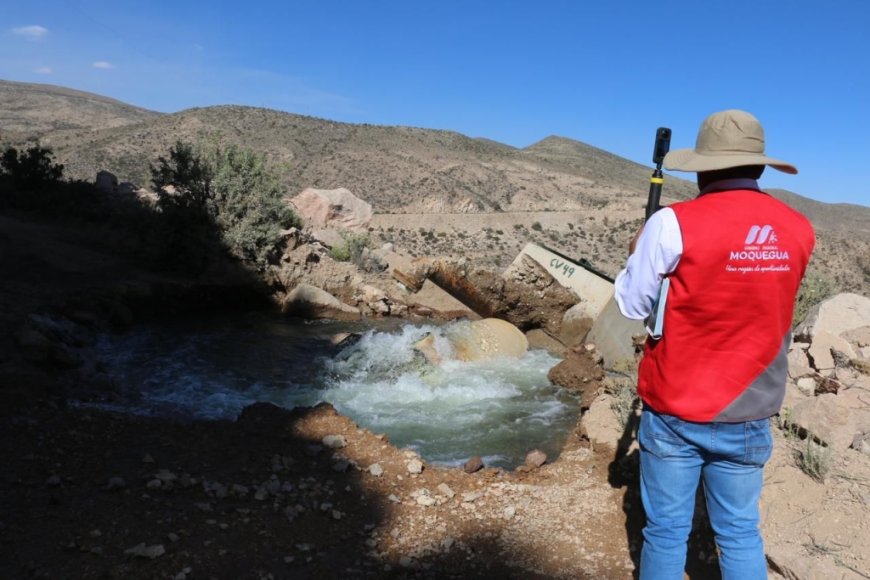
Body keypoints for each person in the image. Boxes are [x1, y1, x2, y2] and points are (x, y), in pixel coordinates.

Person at [614, 109, 815, 579]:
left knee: (665, 531)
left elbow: (631, 305)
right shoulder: (799, 228)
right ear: (760, 166)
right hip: (750, 408)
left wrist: (636, 254)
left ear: (701, 166)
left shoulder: (670, 224)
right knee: (741, 532)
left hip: (675, 404)